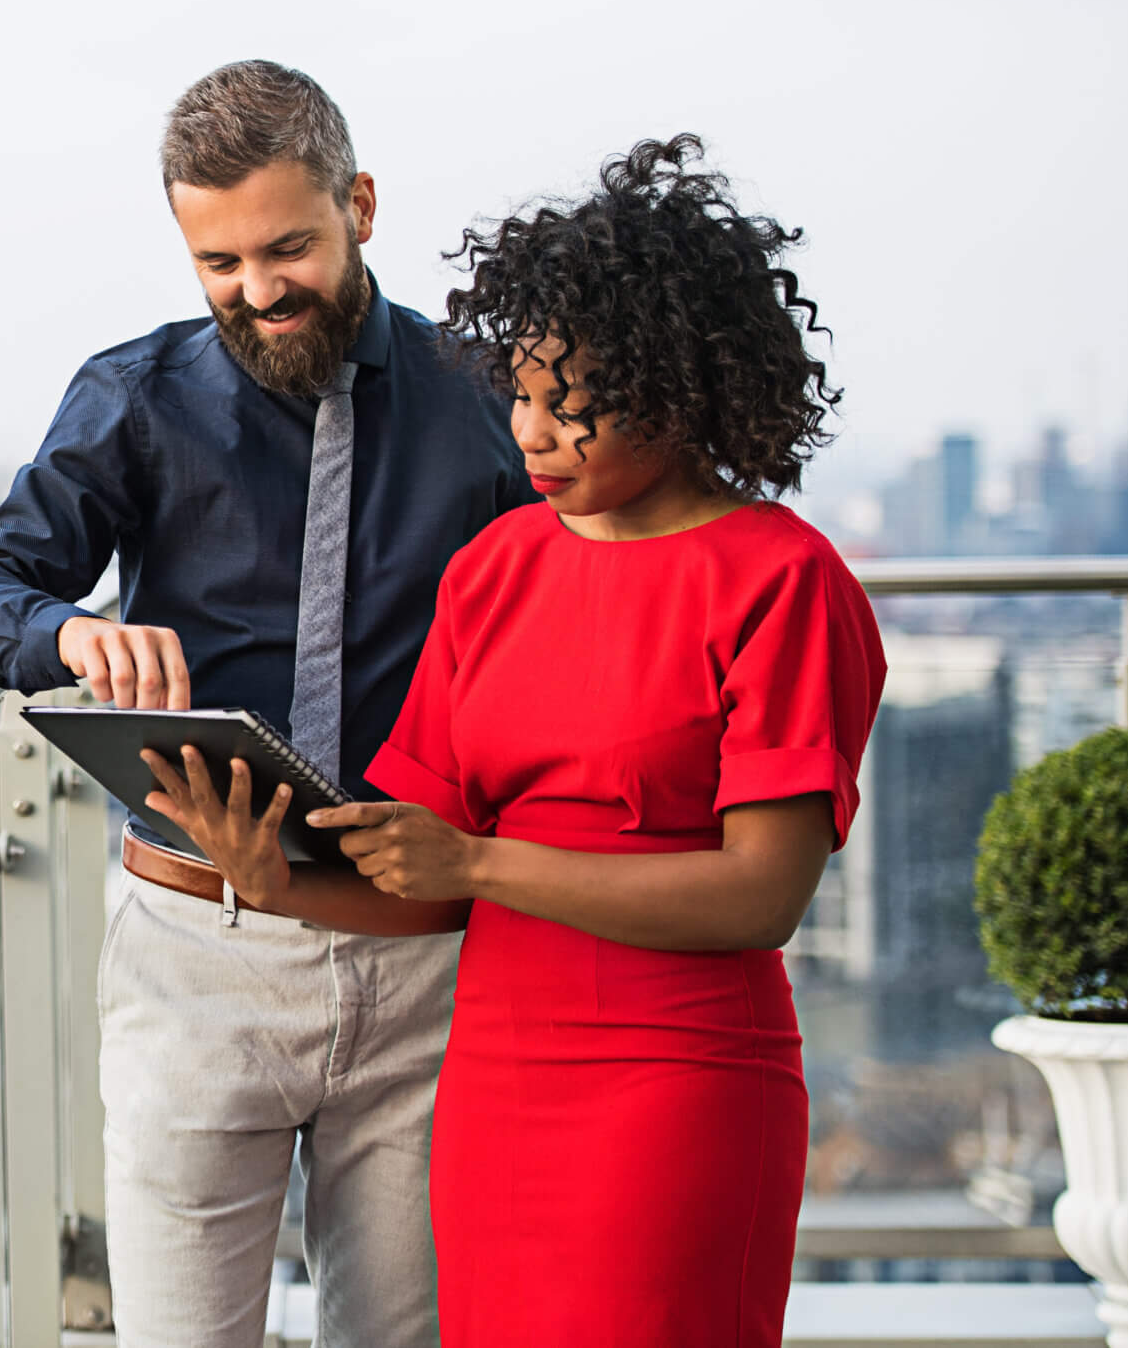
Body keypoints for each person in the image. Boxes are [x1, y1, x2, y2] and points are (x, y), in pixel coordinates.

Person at [141, 134, 885, 1348]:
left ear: (674, 385)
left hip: (679, 1083)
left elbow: (761, 896)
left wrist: (479, 866)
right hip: (493, 1078)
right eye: (520, 397)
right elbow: (418, 876)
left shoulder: (780, 581)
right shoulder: (496, 569)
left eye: (567, 403)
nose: (528, 434)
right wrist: (274, 881)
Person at [0, 61, 531, 1348]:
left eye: (288, 246)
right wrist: (72, 635)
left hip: (428, 952)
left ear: (360, 203)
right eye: (218, 262)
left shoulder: (486, 396)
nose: (257, 291)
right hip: (199, 951)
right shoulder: (138, 396)